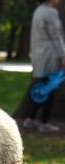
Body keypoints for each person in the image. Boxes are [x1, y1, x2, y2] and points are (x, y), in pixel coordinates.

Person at [22, 0, 65, 132]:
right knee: (49, 89)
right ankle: (44, 122)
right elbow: (56, 36)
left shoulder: (38, 11)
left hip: (40, 55)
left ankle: (30, 119)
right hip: (51, 55)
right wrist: (63, 55)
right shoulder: (51, 12)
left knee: (43, 88)